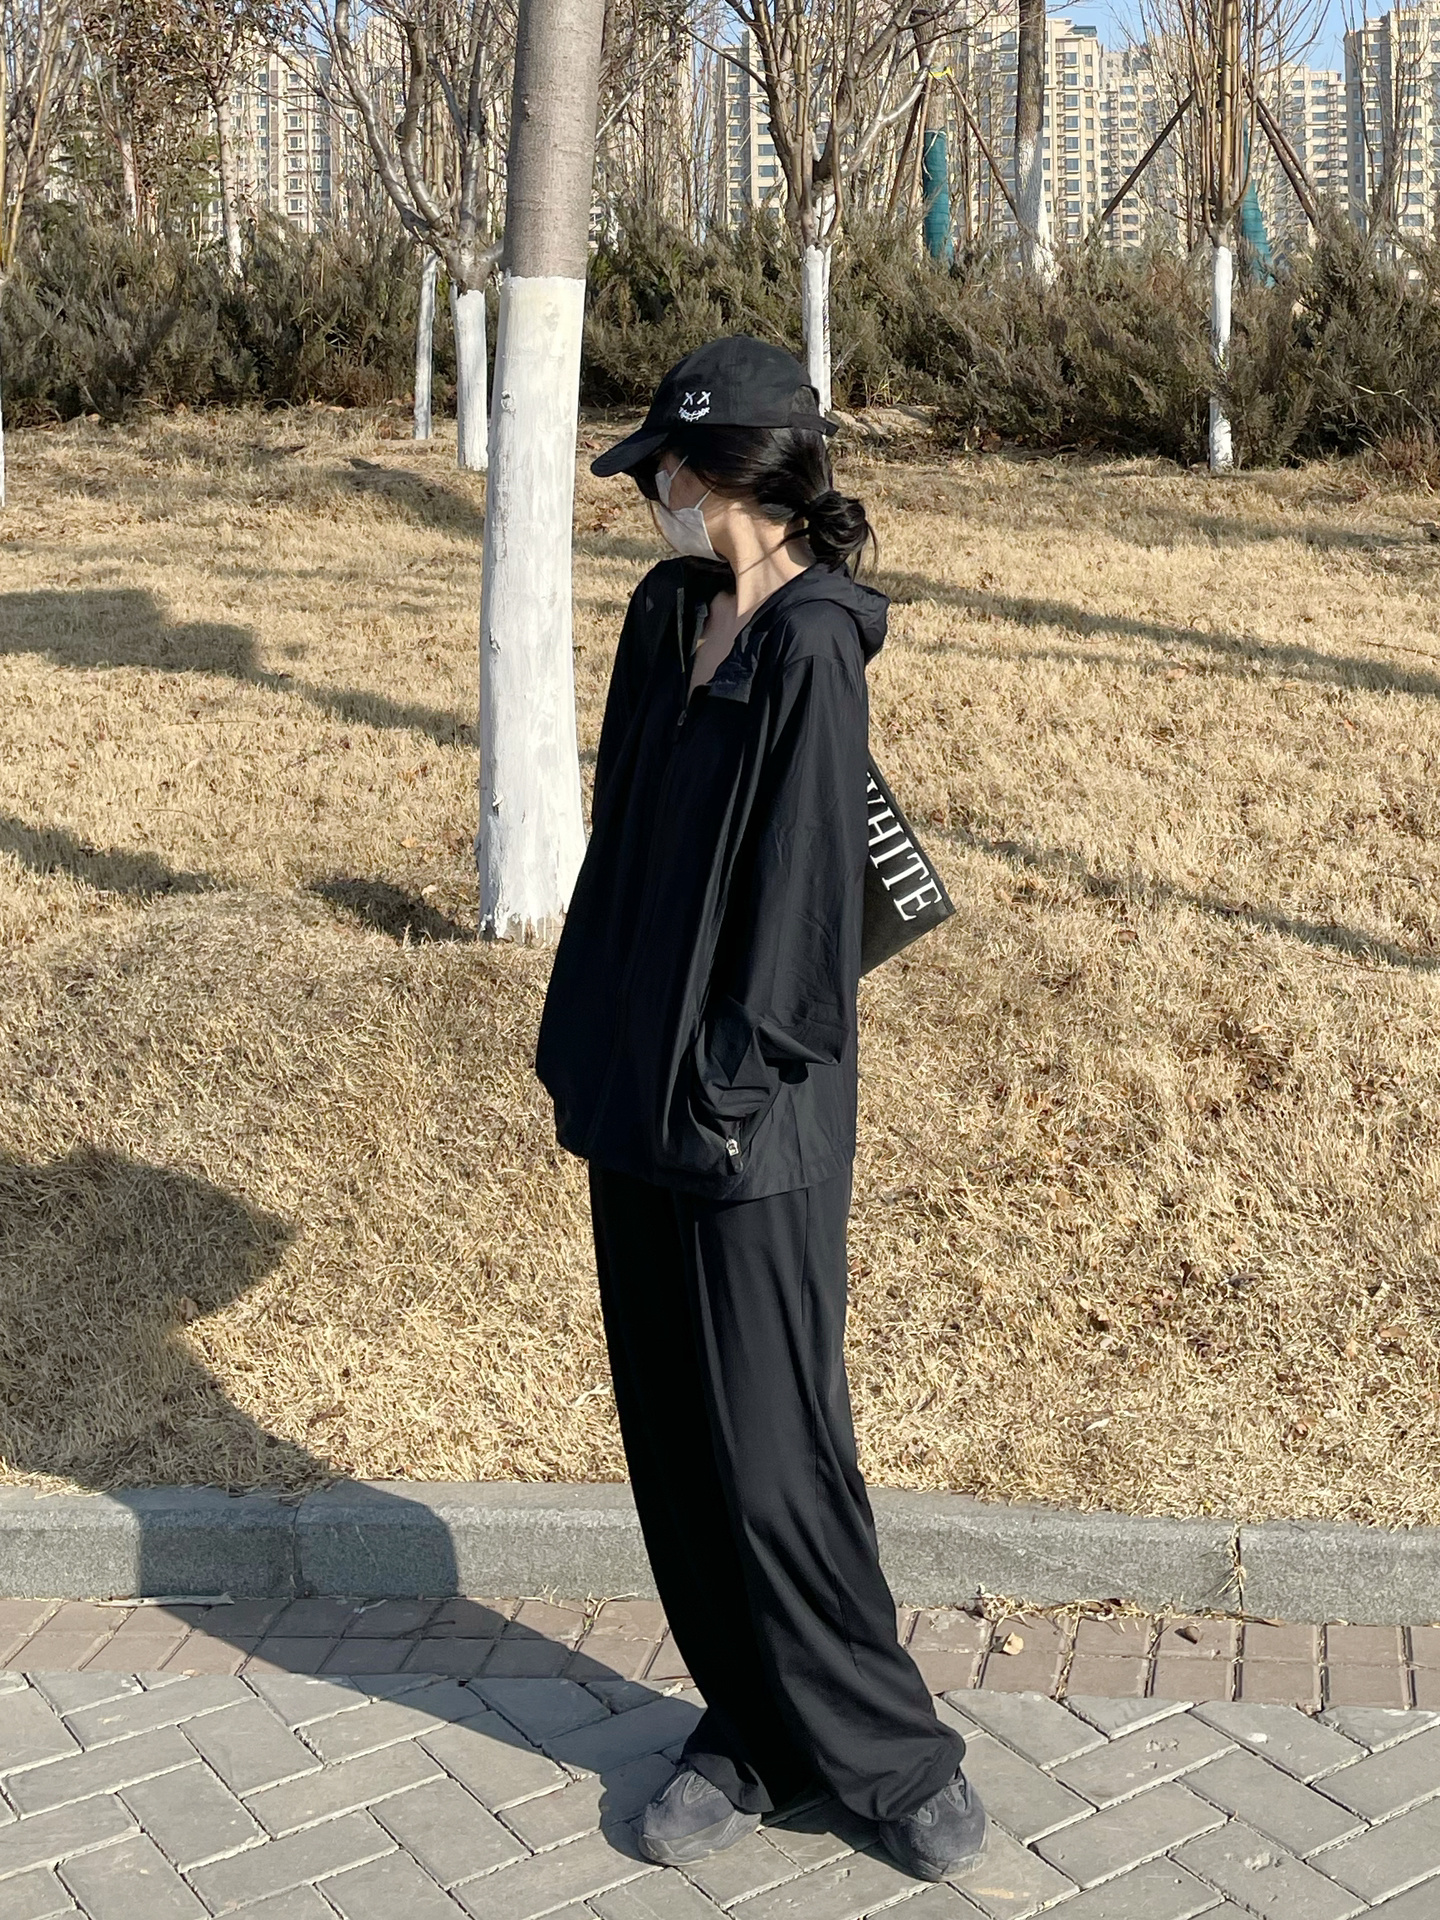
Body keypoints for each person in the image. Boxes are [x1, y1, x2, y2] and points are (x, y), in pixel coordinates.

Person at [534, 335, 987, 1883]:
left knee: (780, 1450)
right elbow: (620, 848)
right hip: (636, 1094)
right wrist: (588, 1049)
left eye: (663, 463)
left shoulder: (814, 644)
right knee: (676, 1439)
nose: (649, 487)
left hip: (752, 1113)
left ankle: (894, 1754)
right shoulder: (668, 616)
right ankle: (747, 1730)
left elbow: (803, 902)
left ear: (718, 468)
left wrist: (729, 1085)